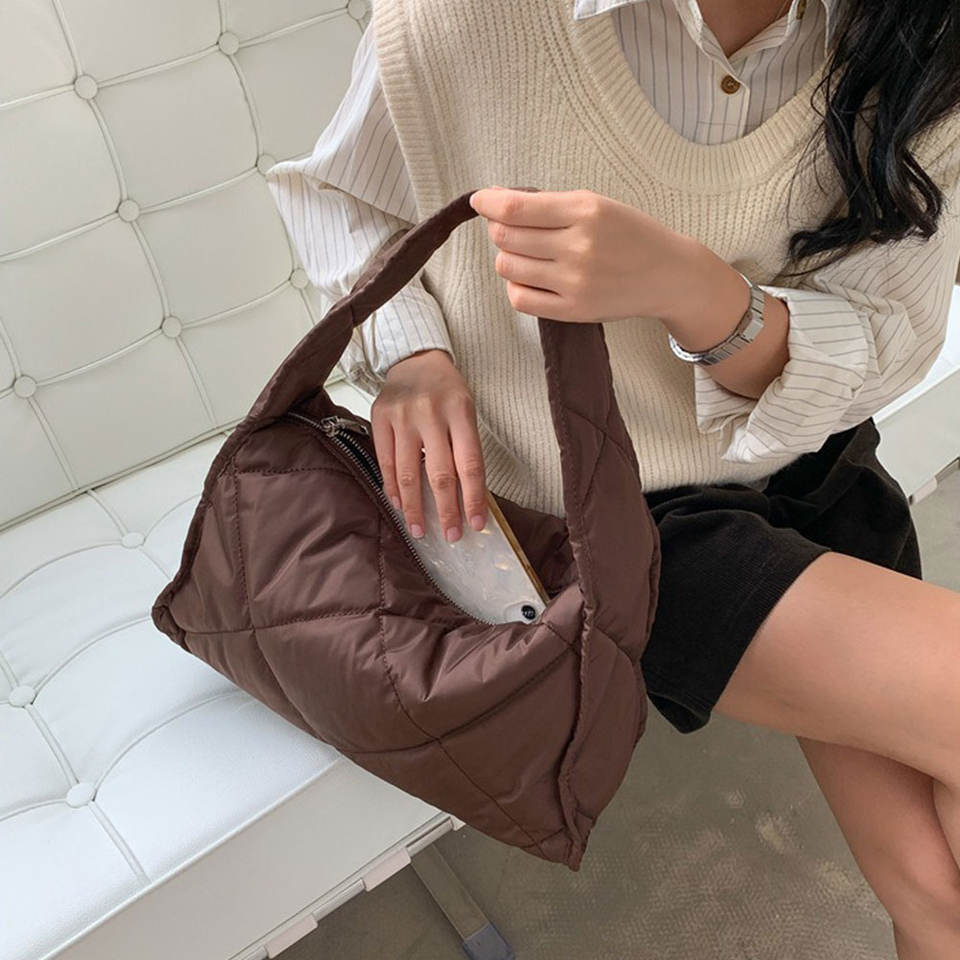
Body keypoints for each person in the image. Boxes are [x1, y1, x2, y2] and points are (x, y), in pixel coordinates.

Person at [266, 0, 960, 953]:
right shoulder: (467, 18)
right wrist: (410, 353)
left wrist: (697, 291)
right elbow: (338, 197)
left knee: (937, 893)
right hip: (602, 516)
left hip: (811, 459)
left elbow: (890, 328)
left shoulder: (920, 39)